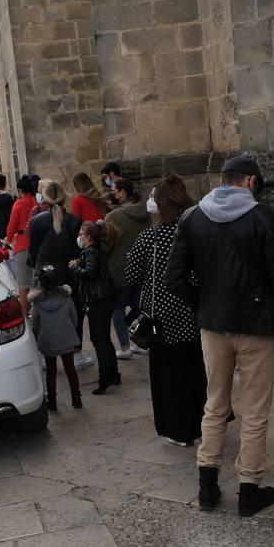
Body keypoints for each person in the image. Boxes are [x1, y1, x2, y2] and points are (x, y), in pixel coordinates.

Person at [166, 155, 274, 518]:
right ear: (251, 182)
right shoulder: (262, 218)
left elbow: (175, 279)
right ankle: (249, 490)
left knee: (215, 404)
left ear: (223, 180)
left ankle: (207, 486)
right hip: (255, 326)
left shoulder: (192, 217)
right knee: (255, 411)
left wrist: (204, 304)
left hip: (213, 325)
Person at [127, 173, 205, 446]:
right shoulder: (196, 232)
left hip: (162, 318)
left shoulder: (151, 237)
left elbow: (132, 274)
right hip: (194, 313)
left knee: (170, 379)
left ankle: (180, 430)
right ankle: (205, 423)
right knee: (196, 371)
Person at [29, 180, 91, 372]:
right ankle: (76, 352)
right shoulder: (73, 221)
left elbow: (33, 250)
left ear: (45, 199)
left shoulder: (37, 221)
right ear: (64, 197)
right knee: (75, 313)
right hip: (68, 272)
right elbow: (78, 249)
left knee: (42, 314)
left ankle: (43, 353)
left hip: (45, 272)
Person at [103, 178, 152, 360]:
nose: (111, 193)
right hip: (141, 266)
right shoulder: (145, 211)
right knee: (138, 306)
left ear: (123, 192)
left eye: (113, 191)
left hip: (119, 268)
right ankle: (142, 343)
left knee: (118, 307)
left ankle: (125, 347)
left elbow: (106, 245)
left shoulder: (114, 216)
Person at [72, 220, 122, 394]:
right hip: (105, 298)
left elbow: (90, 273)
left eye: (80, 235)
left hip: (98, 300)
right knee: (104, 339)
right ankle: (113, 373)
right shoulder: (93, 250)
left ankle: (105, 378)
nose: (78, 237)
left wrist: (75, 269)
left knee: (99, 340)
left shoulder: (91, 252)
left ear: (88, 237)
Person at [28, 265, 83, 412]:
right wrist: (69, 329)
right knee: (70, 368)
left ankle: (52, 401)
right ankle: (76, 399)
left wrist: (39, 335)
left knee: (51, 371)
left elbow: (36, 324)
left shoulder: (37, 302)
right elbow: (74, 317)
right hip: (66, 336)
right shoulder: (66, 296)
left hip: (48, 339)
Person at [6, 175, 38, 315]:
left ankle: (26, 317)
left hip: (22, 245)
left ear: (20, 190)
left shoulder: (18, 204)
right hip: (37, 246)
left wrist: (8, 240)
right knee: (37, 284)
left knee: (23, 287)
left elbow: (11, 228)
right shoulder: (36, 203)